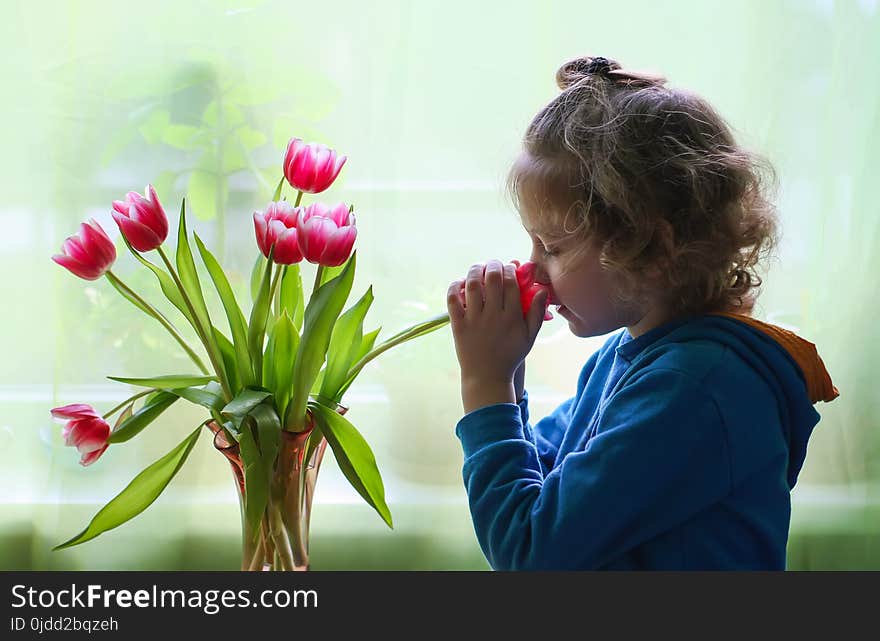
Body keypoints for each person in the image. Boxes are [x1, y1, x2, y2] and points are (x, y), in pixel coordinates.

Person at [445, 55, 840, 570]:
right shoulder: (632, 353)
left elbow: (529, 552)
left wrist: (485, 384)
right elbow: (542, 478)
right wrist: (508, 376)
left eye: (554, 246)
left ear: (650, 250)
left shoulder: (694, 388)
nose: (534, 270)